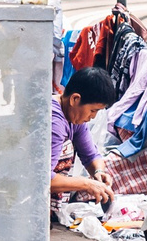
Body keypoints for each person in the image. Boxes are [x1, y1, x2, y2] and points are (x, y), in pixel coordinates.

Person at [52, 65, 121, 206]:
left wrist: (98, 172)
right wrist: (86, 184)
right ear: (75, 99)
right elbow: (42, 179)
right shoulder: (54, 121)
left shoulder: (74, 116)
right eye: (92, 110)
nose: (93, 117)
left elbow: (91, 155)